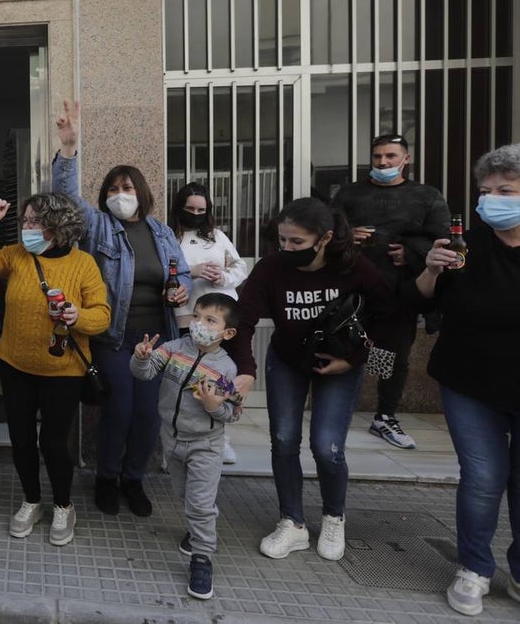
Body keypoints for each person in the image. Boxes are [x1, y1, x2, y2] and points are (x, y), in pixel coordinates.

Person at [225, 197, 395, 563]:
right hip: (287, 361)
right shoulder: (271, 268)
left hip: (340, 367)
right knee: (284, 438)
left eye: (296, 242)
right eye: (282, 240)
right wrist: (246, 370)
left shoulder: (354, 268)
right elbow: (242, 319)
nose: (286, 248)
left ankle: (334, 517)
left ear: (325, 238)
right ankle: (292, 522)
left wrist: (355, 361)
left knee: (326, 446)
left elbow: (390, 316)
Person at [52, 101, 194, 518]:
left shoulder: (162, 231)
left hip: (157, 339)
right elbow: (65, 199)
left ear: (142, 193)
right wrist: (69, 148)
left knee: (149, 416)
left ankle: (135, 479)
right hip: (114, 337)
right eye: (113, 189)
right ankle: (106, 478)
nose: (120, 196)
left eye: (127, 189)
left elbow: (180, 273)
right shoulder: (98, 226)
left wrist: (181, 290)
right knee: (120, 410)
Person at [406, 143, 520, 617]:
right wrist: (430, 270)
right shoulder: (464, 245)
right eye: (485, 190)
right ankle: (474, 567)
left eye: (506, 190)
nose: (492, 198)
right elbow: (424, 301)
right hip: (469, 379)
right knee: (483, 477)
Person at [0, 194, 110, 546]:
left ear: (57, 226)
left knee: (53, 442)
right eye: (25, 220)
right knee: (21, 439)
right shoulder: (16, 255)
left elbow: (102, 315)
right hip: (15, 366)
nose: (26, 228)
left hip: (63, 371)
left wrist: (78, 316)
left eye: (33, 222)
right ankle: (31, 500)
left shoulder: (84, 264)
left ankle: (63, 504)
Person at [332, 133, 450, 450]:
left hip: (400, 292)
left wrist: (410, 253)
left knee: (390, 354)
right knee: (343, 349)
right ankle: (335, 414)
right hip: (352, 291)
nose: (383, 163)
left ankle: (384, 416)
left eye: (390, 157)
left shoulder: (425, 196)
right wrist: (347, 236)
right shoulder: (350, 194)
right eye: (377, 157)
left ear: (405, 159)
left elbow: (442, 240)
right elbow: (325, 232)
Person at [131, 293, 242, 601]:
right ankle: (195, 533)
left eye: (209, 320)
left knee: (201, 505)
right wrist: (140, 356)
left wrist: (212, 405)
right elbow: (144, 372)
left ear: (227, 332)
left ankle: (202, 559)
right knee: (185, 495)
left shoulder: (227, 370)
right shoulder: (173, 349)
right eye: (196, 316)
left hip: (205, 445)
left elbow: (231, 412)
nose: (199, 324)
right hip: (173, 440)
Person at [168, 182, 248, 465]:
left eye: (202, 210)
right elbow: (165, 272)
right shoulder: (169, 237)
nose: (196, 214)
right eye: (190, 209)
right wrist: (193, 272)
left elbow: (239, 266)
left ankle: (220, 435)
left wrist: (222, 278)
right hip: (188, 315)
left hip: (221, 315)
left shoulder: (217, 236)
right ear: (179, 208)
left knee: (222, 375)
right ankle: (181, 435)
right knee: (188, 376)